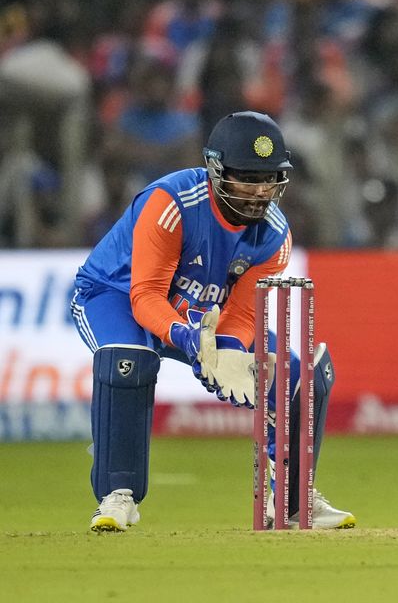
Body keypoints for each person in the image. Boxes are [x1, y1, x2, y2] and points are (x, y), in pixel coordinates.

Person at [71, 111, 355, 532]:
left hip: (205, 312)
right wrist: (188, 339)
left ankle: (294, 500)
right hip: (114, 293)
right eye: (247, 177)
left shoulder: (274, 235)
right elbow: (146, 295)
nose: (260, 191)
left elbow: (242, 313)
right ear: (216, 170)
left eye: (269, 178)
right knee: (129, 360)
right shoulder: (171, 203)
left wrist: (229, 352)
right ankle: (118, 496)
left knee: (298, 374)